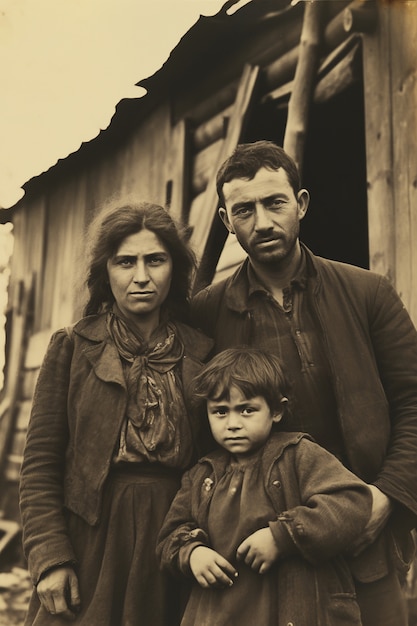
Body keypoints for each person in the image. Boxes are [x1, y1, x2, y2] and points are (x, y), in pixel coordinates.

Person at [191, 140, 417, 626]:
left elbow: (413, 403)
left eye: (275, 203)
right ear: (227, 222)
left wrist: (385, 498)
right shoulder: (205, 314)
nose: (264, 222)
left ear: (302, 204)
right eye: (244, 210)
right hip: (255, 555)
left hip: (363, 541)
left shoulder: (367, 293)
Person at [19, 202, 213, 626]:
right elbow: (39, 467)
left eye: (155, 260)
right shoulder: (72, 348)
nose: (141, 276)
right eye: (125, 261)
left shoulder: (202, 353)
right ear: (105, 271)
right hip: (92, 541)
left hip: (173, 539)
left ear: (174, 269)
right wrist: (50, 558)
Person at [157, 347, 372, 626]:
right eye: (220, 412)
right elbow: (170, 536)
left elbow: (352, 500)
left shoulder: (298, 455)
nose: (233, 424)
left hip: (288, 609)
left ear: (277, 410)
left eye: (247, 410)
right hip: (220, 613)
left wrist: (282, 537)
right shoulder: (201, 474)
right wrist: (192, 553)